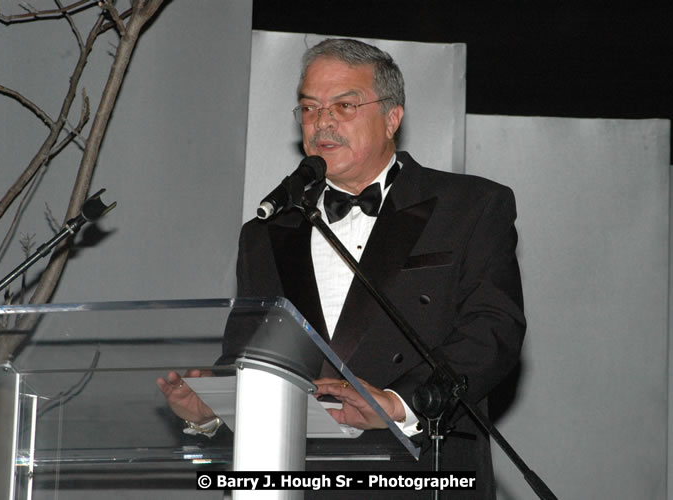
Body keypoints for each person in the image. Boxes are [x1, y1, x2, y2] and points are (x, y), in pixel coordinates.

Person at [158, 38, 526, 498]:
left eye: (344, 105)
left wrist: (397, 404)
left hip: (422, 473)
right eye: (309, 109)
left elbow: (493, 331)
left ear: (392, 117)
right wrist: (213, 410)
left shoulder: (470, 206)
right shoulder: (267, 231)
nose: (322, 122)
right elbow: (249, 355)